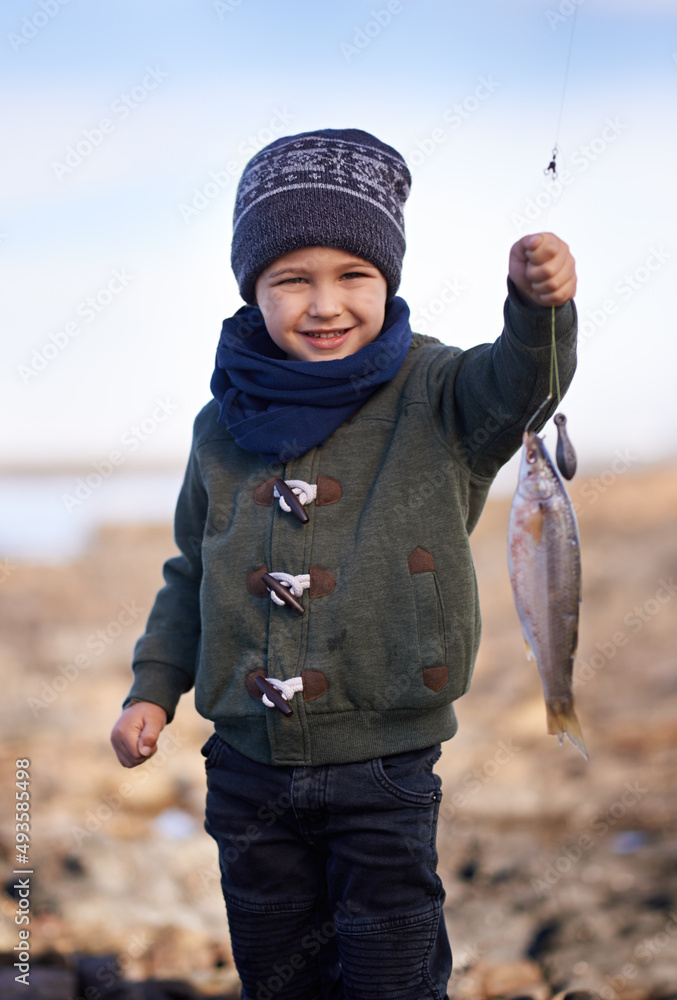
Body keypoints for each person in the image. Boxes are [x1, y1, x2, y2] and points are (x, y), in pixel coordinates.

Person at [110, 127, 577, 1000]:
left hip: (386, 762)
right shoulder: (223, 425)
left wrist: (537, 307)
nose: (325, 304)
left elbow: (526, 387)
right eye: (293, 279)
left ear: (387, 279)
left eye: (351, 276)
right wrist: (151, 687)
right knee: (276, 966)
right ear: (254, 290)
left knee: (392, 967)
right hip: (244, 768)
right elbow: (191, 570)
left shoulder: (440, 393)